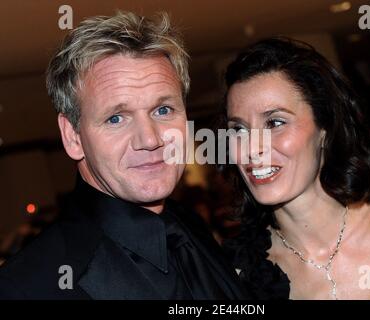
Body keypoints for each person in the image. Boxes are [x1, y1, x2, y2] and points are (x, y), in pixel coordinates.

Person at [0, 11, 248, 300]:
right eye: (116, 118)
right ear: (73, 137)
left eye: (163, 110)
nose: (150, 139)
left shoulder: (188, 224)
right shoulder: (25, 287)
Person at [220, 37, 370, 300]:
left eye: (275, 123)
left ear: (324, 127)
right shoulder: (238, 276)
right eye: (239, 129)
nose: (252, 148)